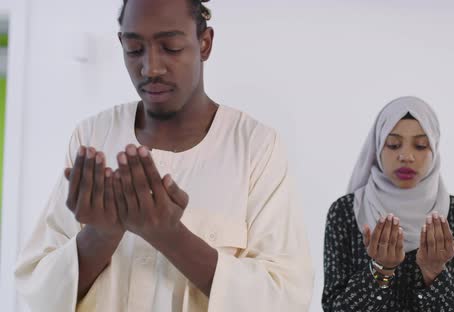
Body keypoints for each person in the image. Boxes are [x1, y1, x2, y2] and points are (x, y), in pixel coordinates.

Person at [14, 1, 313, 311]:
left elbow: (285, 298)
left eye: (170, 47)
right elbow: (38, 291)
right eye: (133, 49)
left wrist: (171, 237)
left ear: (204, 43)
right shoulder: (92, 138)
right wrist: (101, 235)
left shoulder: (256, 147)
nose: (150, 68)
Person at [322, 96, 454, 311]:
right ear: (378, 146)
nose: (406, 156)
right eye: (394, 144)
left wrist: (434, 272)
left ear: (434, 148)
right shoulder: (347, 211)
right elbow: (334, 308)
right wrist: (379, 270)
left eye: (420, 145)